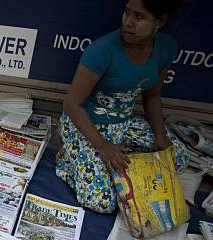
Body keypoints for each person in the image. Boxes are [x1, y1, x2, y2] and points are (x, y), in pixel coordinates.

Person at [56, 0, 189, 213]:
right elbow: (72, 104)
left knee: (178, 157)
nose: (128, 22)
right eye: (127, 13)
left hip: (123, 125)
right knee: (103, 202)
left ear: (160, 21)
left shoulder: (166, 47)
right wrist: (103, 147)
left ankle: (101, 163)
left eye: (139, 17)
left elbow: (153, 95)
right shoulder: (103, 50)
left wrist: (160, 135)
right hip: (87, 127)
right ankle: (67, 161)